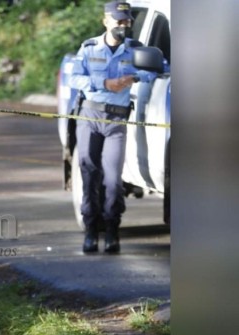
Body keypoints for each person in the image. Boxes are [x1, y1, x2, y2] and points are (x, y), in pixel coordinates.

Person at [68, 1, 157, 253]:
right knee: (89, 172)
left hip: (117, 121)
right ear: (106, 21)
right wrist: (105, 82)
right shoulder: (89, 47)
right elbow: (75, 77)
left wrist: (135, 77)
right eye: (118, 21)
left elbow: (158, 69)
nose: (123, 26)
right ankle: (90, 231)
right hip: (90, 116)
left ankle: (112, 231)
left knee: (114, 180)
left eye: (127, 22)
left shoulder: (135, 50)